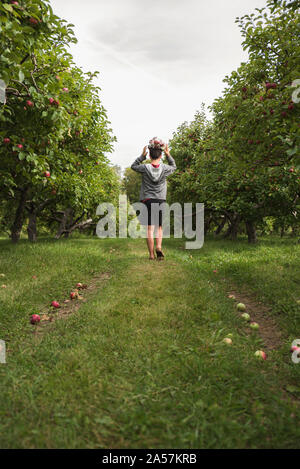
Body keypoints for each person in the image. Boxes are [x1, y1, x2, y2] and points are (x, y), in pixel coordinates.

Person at [131, 137, 177, 260]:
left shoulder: (145, 168)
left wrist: (142, 156)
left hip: (147, 200)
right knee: (159, 227)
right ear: (161, 155)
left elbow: (133, 166)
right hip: (160, 200)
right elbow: (174, 166)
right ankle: (159, 247)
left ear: (150, 156)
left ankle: (151, 255)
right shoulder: (165, 168)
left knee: (149, 228)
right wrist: (168, 155)